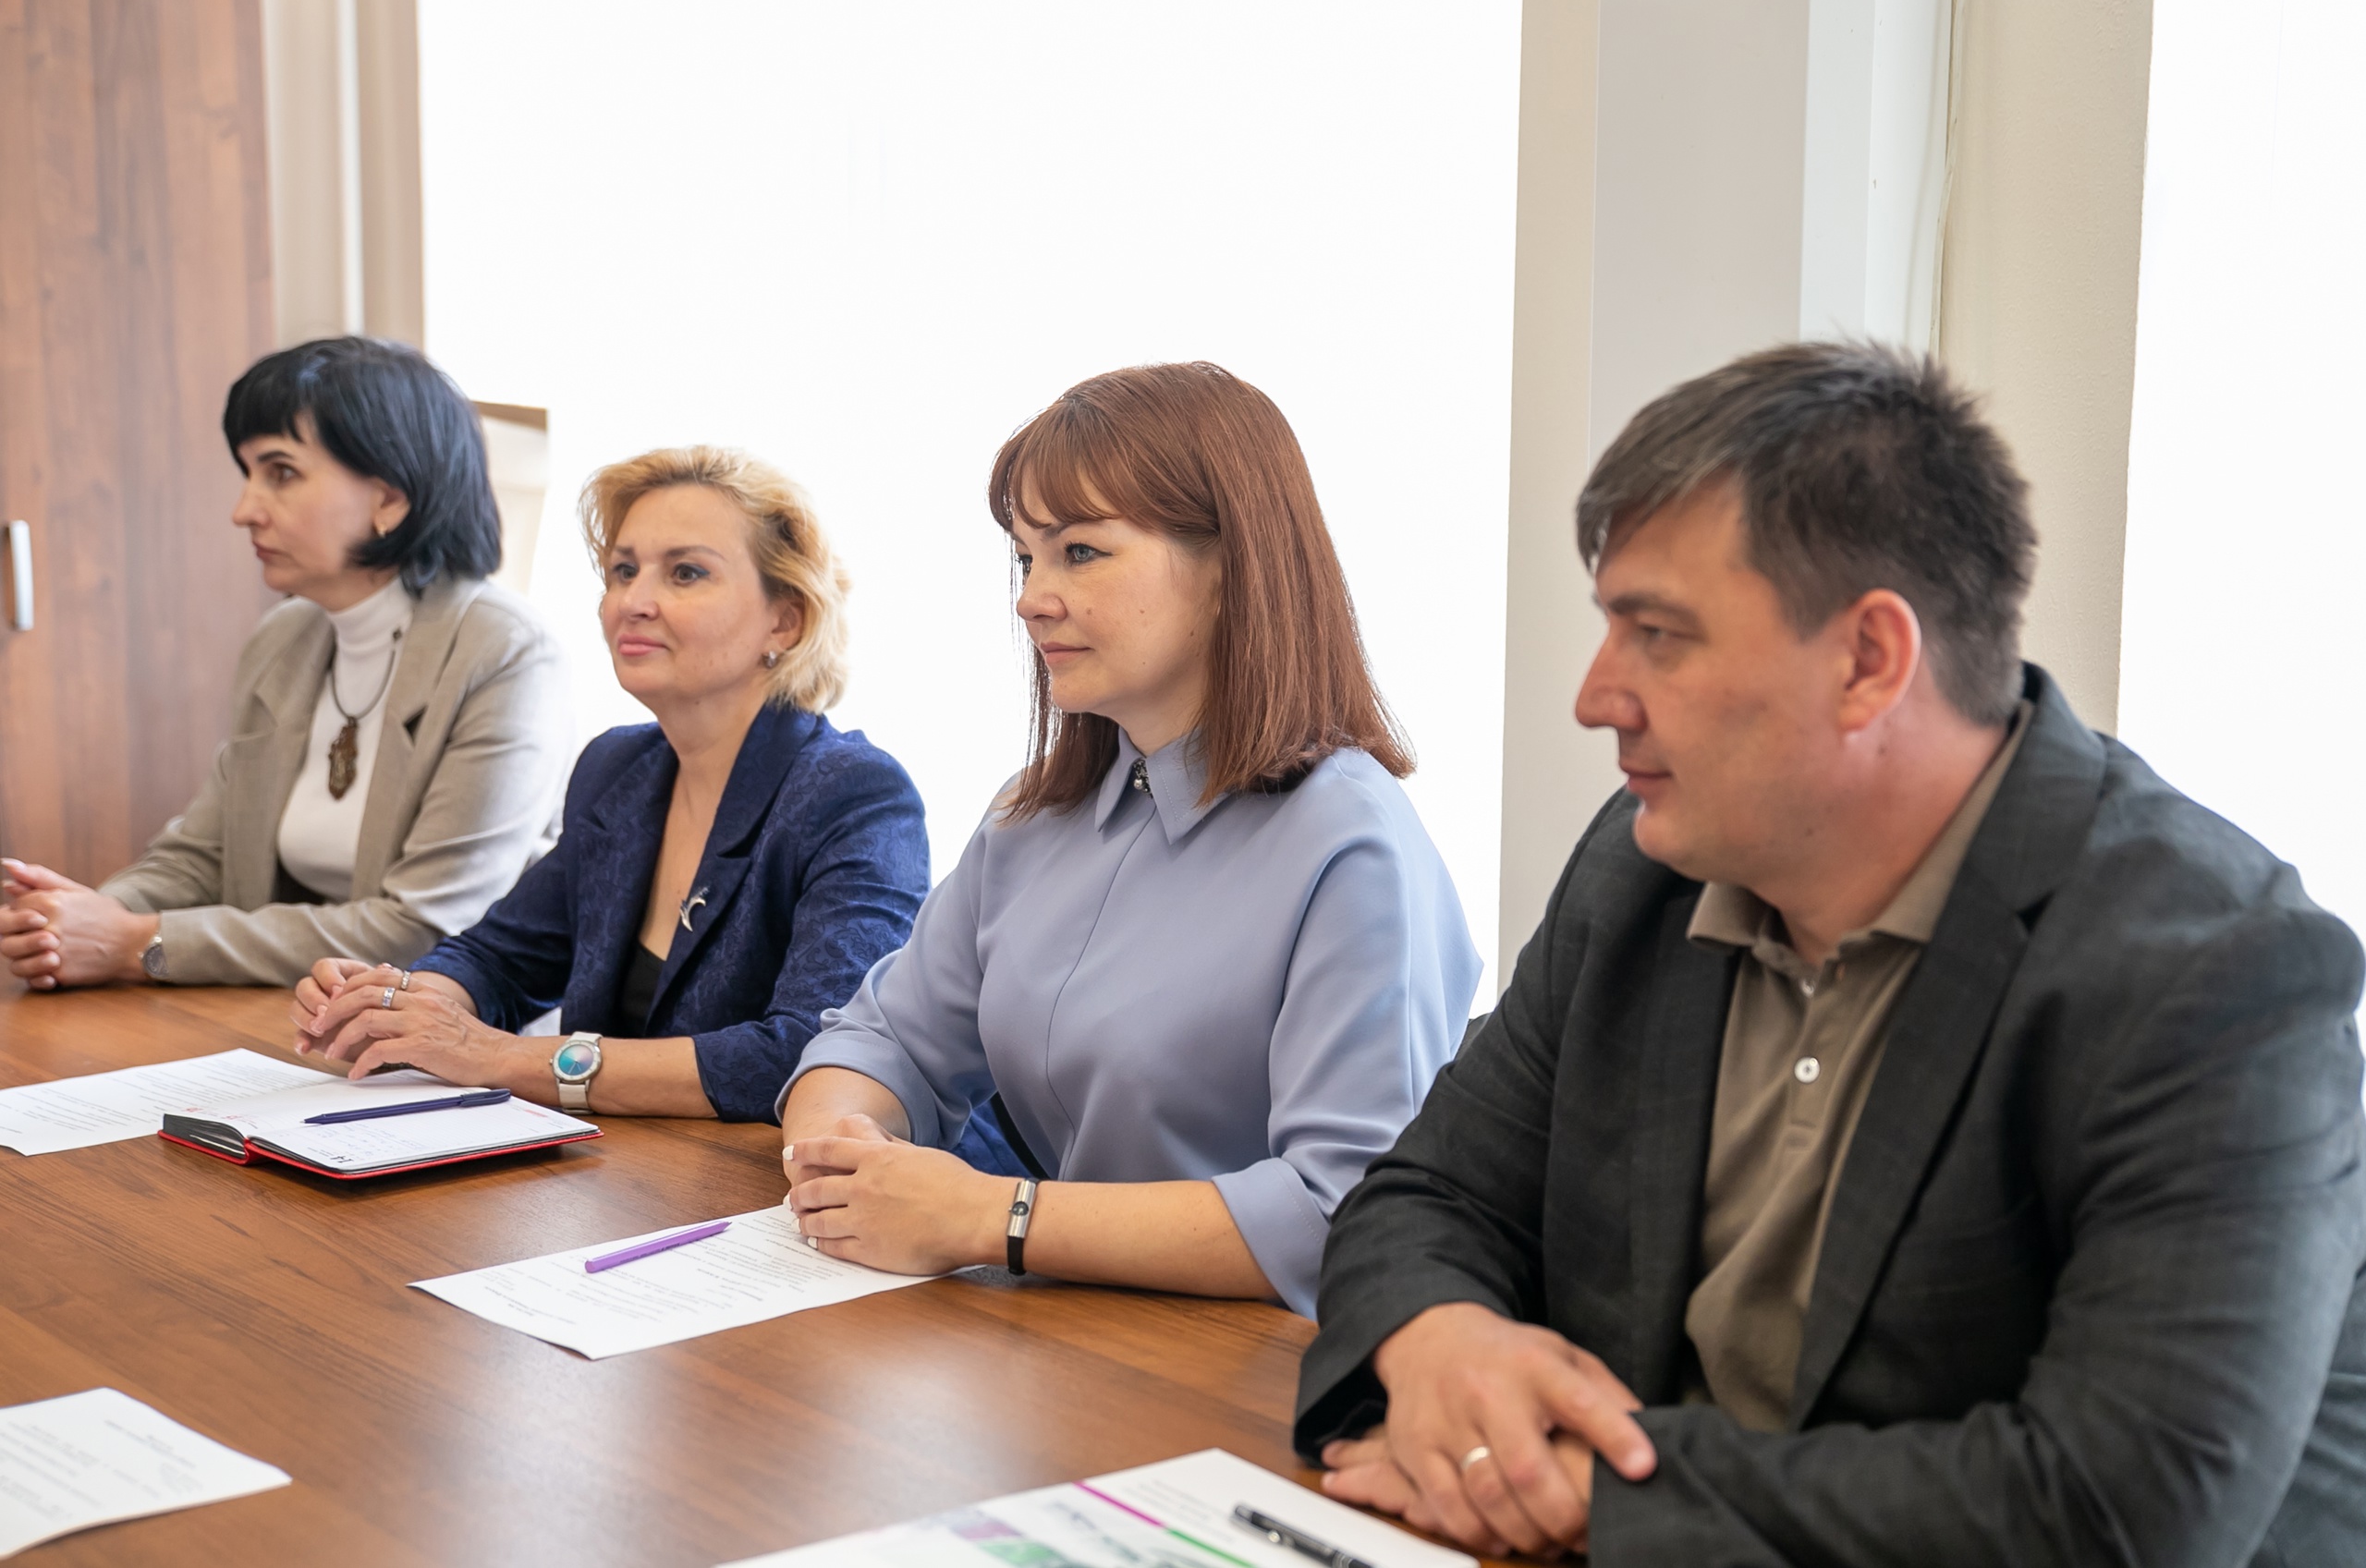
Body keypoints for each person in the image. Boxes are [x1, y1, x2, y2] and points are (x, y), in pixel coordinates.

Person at [1296, 342, 2366, 1564]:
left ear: (1868, 661)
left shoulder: (2216, 970)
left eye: (1657, 633)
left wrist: (1603, 1491)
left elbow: (2117, 1502)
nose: (1596, 697)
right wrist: (1439, 1338)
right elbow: (1428, 1193)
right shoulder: (1638, 871)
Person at [776, 362, 1481, 1317]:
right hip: (1071, 1337)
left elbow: (1340, 1211)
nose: (1031, 597)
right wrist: (842, 1148)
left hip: (1250, 1367)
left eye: (1080, 552)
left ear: (1231, 568)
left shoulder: (1351, 843)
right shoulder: (1032, 815)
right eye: (1025, 558)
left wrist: (994, 1217)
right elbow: (881, 1037)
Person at [289, 448, 1006, 1153]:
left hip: (776, 1193)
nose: (633, 601)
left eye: (686, 572)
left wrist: (500, 1057)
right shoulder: (618, 767)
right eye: (623, 570)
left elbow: (811, 1050)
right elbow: (501, 958)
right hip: (626, 1173)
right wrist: (401, 1003)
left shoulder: (855, 793)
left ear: (785, 621)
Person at [0, 337, 569, 991]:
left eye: (281, 473)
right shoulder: (284, 638)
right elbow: (205, 854)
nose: (244, 510)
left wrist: (138, 942)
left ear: (389, 499)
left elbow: (425, 928)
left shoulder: (506, 654)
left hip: (438, 1028)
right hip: (288, 1009)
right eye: (248, 474)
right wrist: (80, 918)